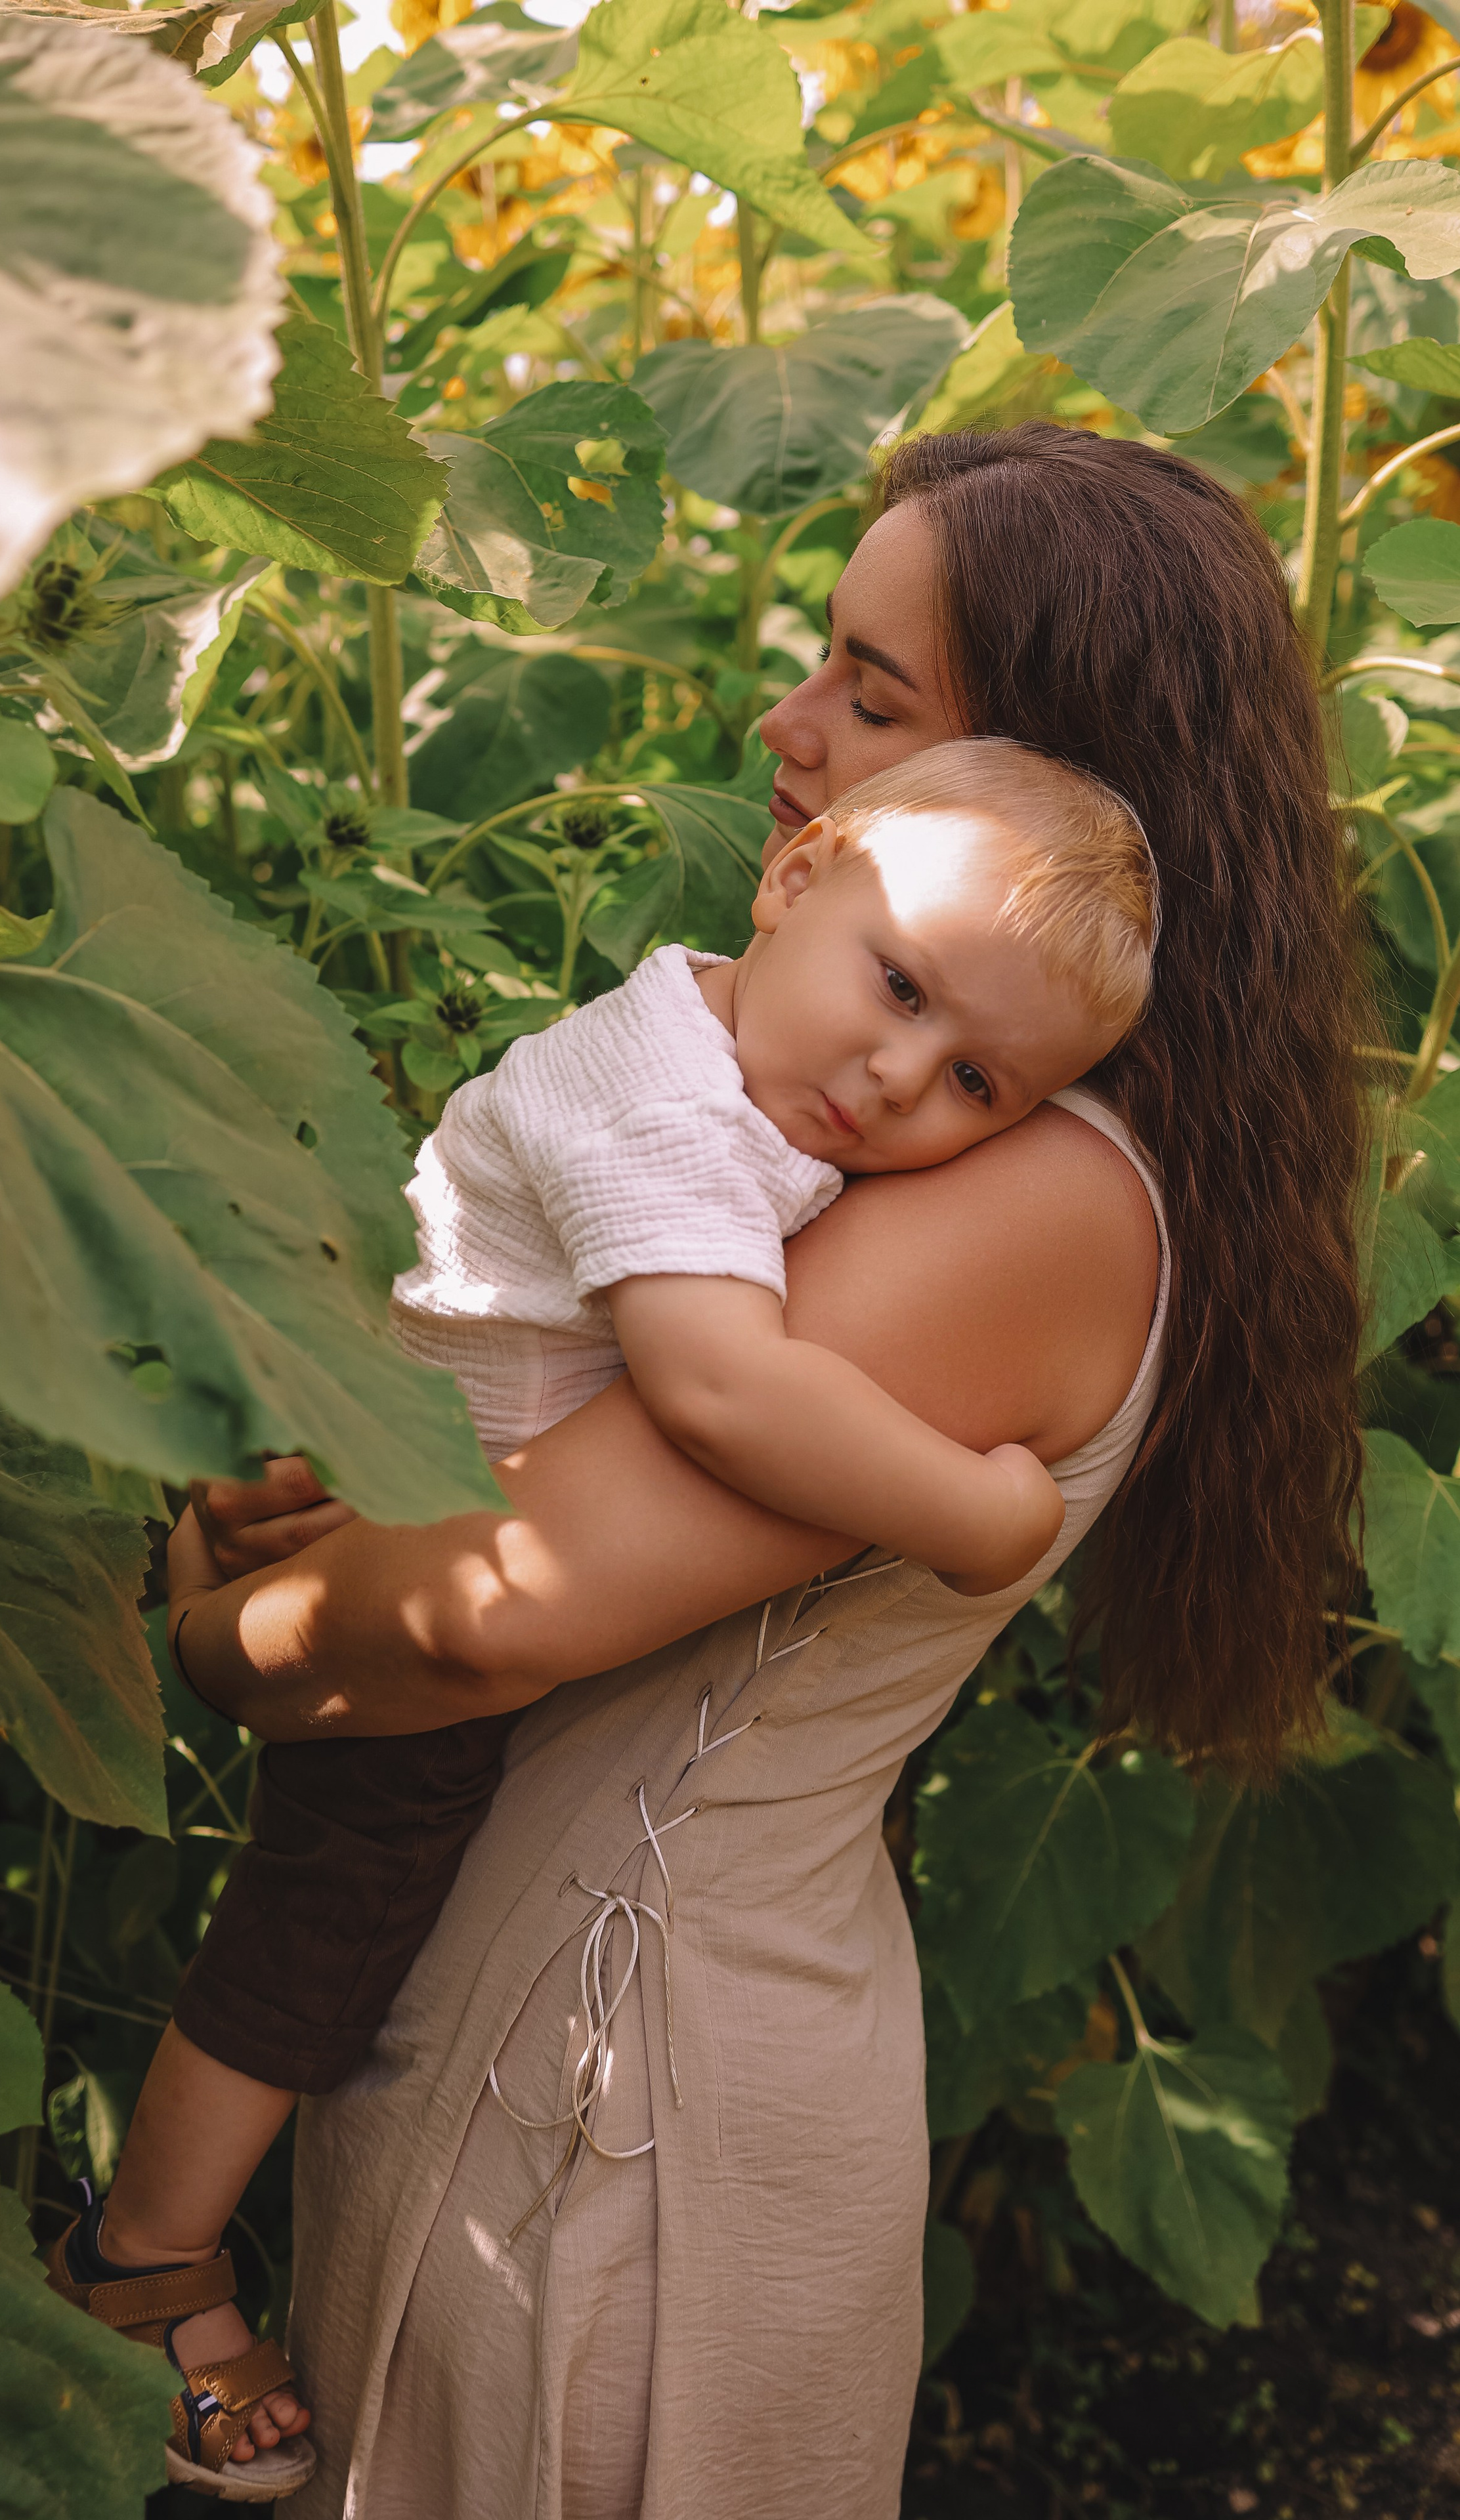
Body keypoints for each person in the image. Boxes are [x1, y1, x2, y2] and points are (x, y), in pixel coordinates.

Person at [84, 425, 1368, 2517]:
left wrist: (216, 1633)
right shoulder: (948, 1116)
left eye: (873, 688)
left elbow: (478, 1619)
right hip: (584, 2033)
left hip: (612, 2098)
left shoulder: (1027, 1192)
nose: (789, 725)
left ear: (1044, 780)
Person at [47, 738, 1159, 2490]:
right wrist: (987, 1513)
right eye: (897, 990)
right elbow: (720, 1393)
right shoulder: (672, 1111)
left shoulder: (761, 1068)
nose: (898, 1078)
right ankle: (143, 2260)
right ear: (792, 879)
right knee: (321, 1923)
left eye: (976, 1082)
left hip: (391, 1507)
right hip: (386, 1560)